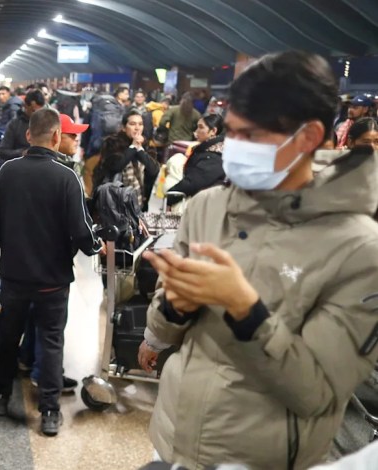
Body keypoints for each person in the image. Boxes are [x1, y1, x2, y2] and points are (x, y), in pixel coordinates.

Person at [138, 50, 378, 469]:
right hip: (175, 435)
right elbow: (165, 321)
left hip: (258, 456)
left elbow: (317, 393)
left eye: (250, 135)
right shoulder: (208, 206)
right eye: (231, 132)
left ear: (308, 137)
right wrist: (174, 306)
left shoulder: (360, 250)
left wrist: (244, 309)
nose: (233, 147)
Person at [0, 108, 102, 437]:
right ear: (56, 136)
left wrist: (14, 251)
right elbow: (81, 230)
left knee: (9, 337)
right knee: (51, 341)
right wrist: (95, 247)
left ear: (28, 135)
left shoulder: (7, 171)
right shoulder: (66, 177)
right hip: (53, 279)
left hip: (14, 275)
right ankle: (49, 412)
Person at [91, 110, 160, 208]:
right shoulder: (112, 142)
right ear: (124, 127)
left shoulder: (146, 145)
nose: (137, 128)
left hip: (138, 201)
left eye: (140, 124)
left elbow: (153, 170)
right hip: (114, 201)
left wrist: (140, 150)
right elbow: (116, 166)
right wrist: (133, 147)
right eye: (132, 124)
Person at [163, 114, 226, 204]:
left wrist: (170, 197)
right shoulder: (204, 150)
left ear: (213, 131)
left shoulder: (214, 157)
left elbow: (193, 183)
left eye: (201, 127)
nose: (196, 131)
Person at [0, 90, 46, 186]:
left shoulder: (47, 124)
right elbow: (2, 151)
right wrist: (22, 153)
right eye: (34, 110)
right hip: (19, 171)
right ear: (26, 106)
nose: (37, 114)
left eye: (40, 111)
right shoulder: (15, 124)